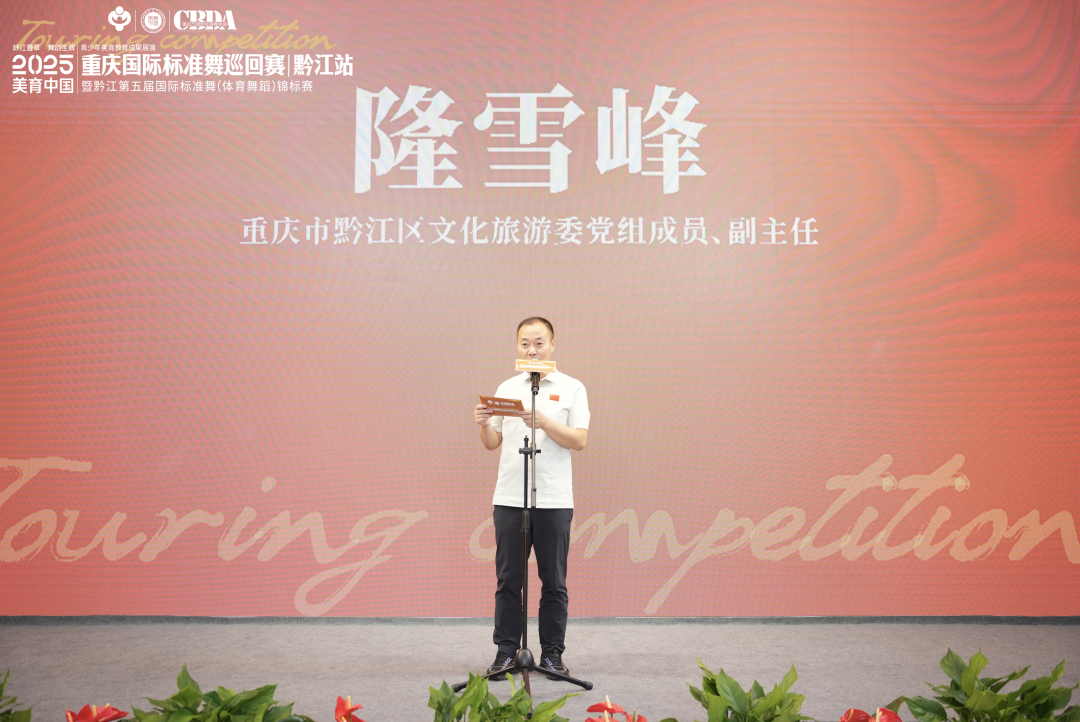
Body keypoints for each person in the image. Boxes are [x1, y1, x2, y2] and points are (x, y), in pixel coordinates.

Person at [472, 317, 590, 680]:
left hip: (554, 498)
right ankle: (506, 652)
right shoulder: (507, 388)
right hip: (510, 497)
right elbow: (493, 443)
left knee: (554, 579)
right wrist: (483, 423)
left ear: (553, 344)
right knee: (509, 579)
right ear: (517, 346)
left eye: (539, 343)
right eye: (525, 343)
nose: (532, 350)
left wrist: (543, 421)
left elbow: (579, 440)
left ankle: (552, 654)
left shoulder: (571, 388)